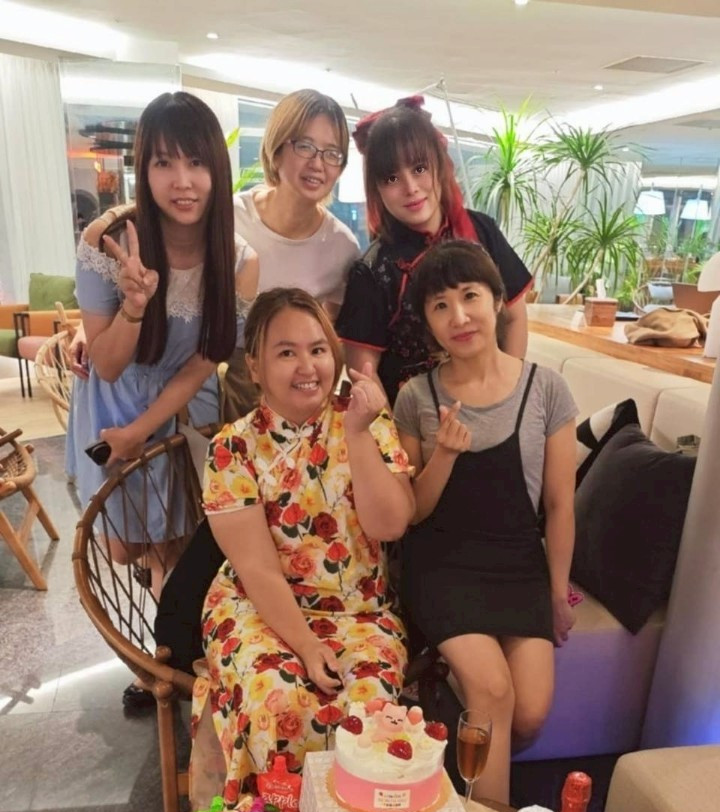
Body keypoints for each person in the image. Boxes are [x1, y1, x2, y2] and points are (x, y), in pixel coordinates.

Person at [193, 287, 414, 803]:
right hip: (258, 607)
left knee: (368, 711)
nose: (307, 366)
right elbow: (257, 569)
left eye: (317, 349)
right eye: (286, 352)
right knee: (279, 699)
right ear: (254, 366)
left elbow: (390, 525)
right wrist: (308, 646)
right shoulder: (232, 448)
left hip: (361, 610)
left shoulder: (367, 420)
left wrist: (357, 434)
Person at [394, 241, 577, 805]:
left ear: (497, 300)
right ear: (428, 323)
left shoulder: (545, 388)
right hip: (441, 564)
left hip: (517, 563)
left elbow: (559, 506)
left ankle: (453, 742)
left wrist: (556, 594)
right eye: (440, 306)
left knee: (531, 713)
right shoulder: (415, 396)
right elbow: (410, 513)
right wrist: (445, 455)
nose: (459, 316)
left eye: (470, 296)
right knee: (494, 690)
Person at [66, 90, 258, 528]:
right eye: (164, 163)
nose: (182, 181)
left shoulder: (240, 262)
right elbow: (107, 366)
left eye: (197, 162)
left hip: (187, 404)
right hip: (114, 403)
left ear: (217, 169)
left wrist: (143, 431)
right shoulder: (107, 242)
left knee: (182, 536)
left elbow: (205, 358)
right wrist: (134, 307)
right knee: (122, 543)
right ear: (144, 170)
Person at [336, 96, 533, 406]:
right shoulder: (373, 270)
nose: (410, 187)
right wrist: (400, 436)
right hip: (416, 423)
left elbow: (514, 318)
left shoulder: (482, 231)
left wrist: (508, 400)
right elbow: (364, 372)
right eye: (391, 178)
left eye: (419, 168)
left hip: (494, 405)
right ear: (376, 188)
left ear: (439, 165)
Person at [224, 89, 360, 419]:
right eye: (305, 146)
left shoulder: (341, 246)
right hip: (227, 385)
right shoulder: (229, 217)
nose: (318, 164)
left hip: (297, 399)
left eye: (332, 153)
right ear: (277, 149)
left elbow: (331, 335)